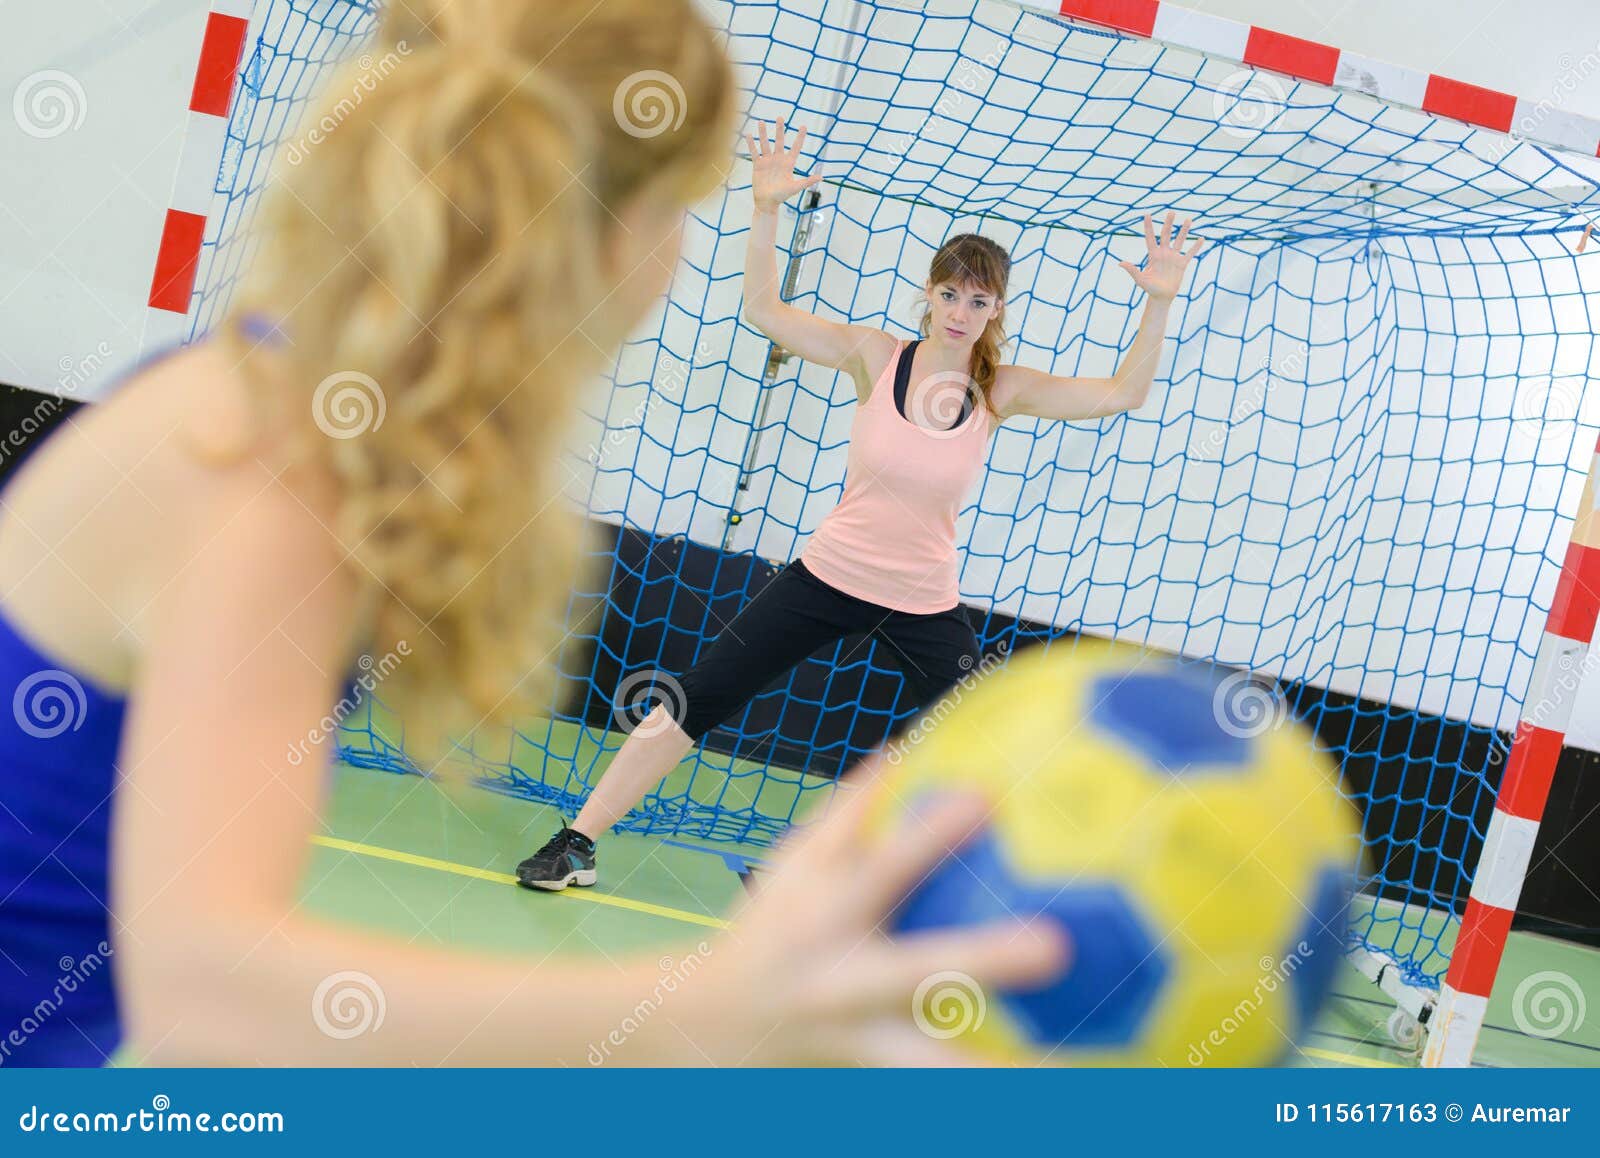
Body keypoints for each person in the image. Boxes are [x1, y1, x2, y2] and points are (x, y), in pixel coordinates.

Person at [0, 2, 1065, 1067]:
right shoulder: (282, 468)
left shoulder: (334, 416)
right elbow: (206, 992)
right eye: (685, 206)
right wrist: (710, 1013)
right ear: (613, 227)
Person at [518, 118, 1206, 891]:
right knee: (693, 697)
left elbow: (1124, 393)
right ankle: (577, 842)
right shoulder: (877, 356)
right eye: (949, 292)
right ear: (930, 293)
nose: (959, 309)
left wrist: (1159, 303)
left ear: (995, 310)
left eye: (978, 300)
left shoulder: (999, 389)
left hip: (921, 602)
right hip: (828, 576)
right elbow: (767, 312)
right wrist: (768, 206)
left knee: (974, 744)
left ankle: (827, 875)